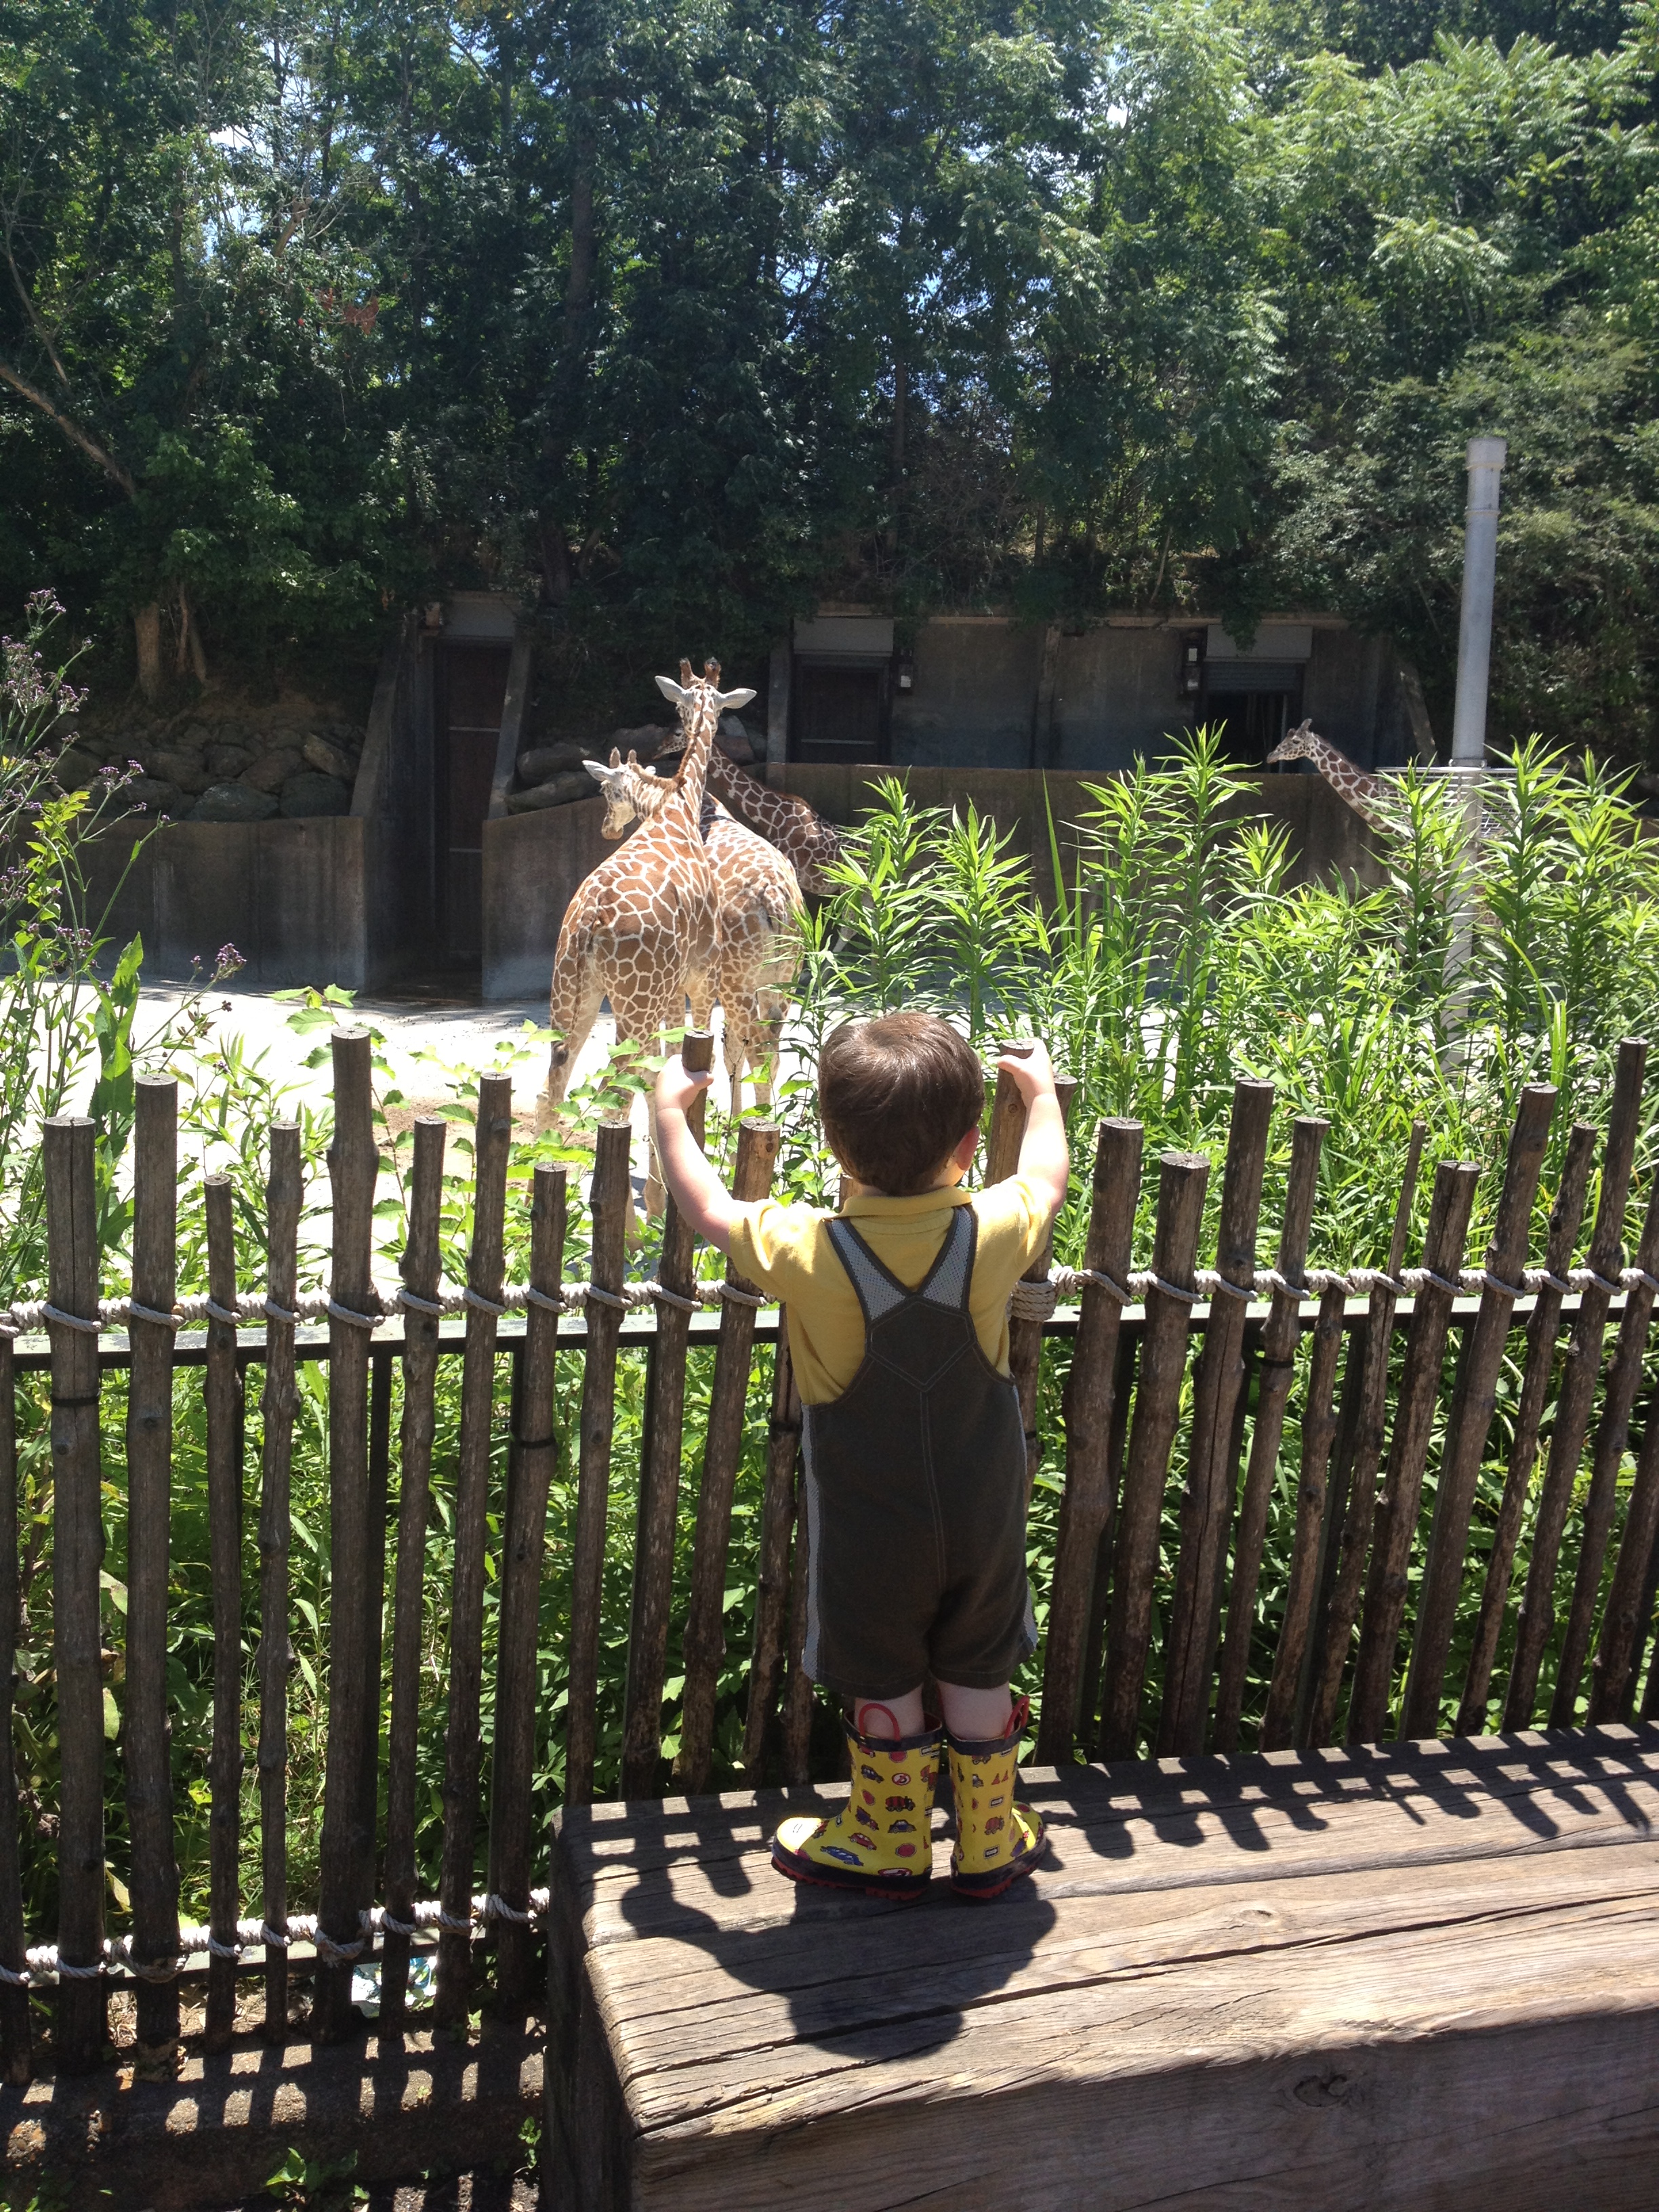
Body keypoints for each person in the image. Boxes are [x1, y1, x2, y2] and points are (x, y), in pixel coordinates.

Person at [654, 1010, 1070, 1902]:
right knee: (978, 1662)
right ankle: (990, 1838)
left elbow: (705, 1208)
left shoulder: (811, 1251)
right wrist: (1038, 1092)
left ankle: (889, 1841)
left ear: (834, 1144)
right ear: (967, 1147)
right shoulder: (992, 1231)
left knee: (881, 1674)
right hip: (984, 1512)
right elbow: (1048, 1174)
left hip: (869, 1531)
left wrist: (667, 1114)